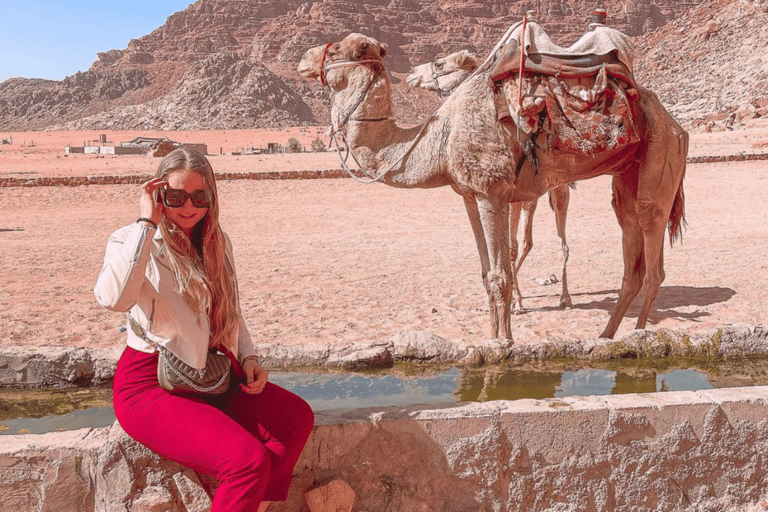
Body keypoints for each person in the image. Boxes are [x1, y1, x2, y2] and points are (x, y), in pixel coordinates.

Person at [94, 148, 314, 512]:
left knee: (295, 418)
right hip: (151, 384)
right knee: (246, 463)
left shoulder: (216, 241)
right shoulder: (131, 239)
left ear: (211, 196)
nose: (188, 207)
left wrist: (248, 356)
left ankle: (247, 505)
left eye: (200, 196)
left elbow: (229, 308)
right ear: (158, 195)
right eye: (176, 196)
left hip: (212, 373)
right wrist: (146, 224)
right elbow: (115, 298)